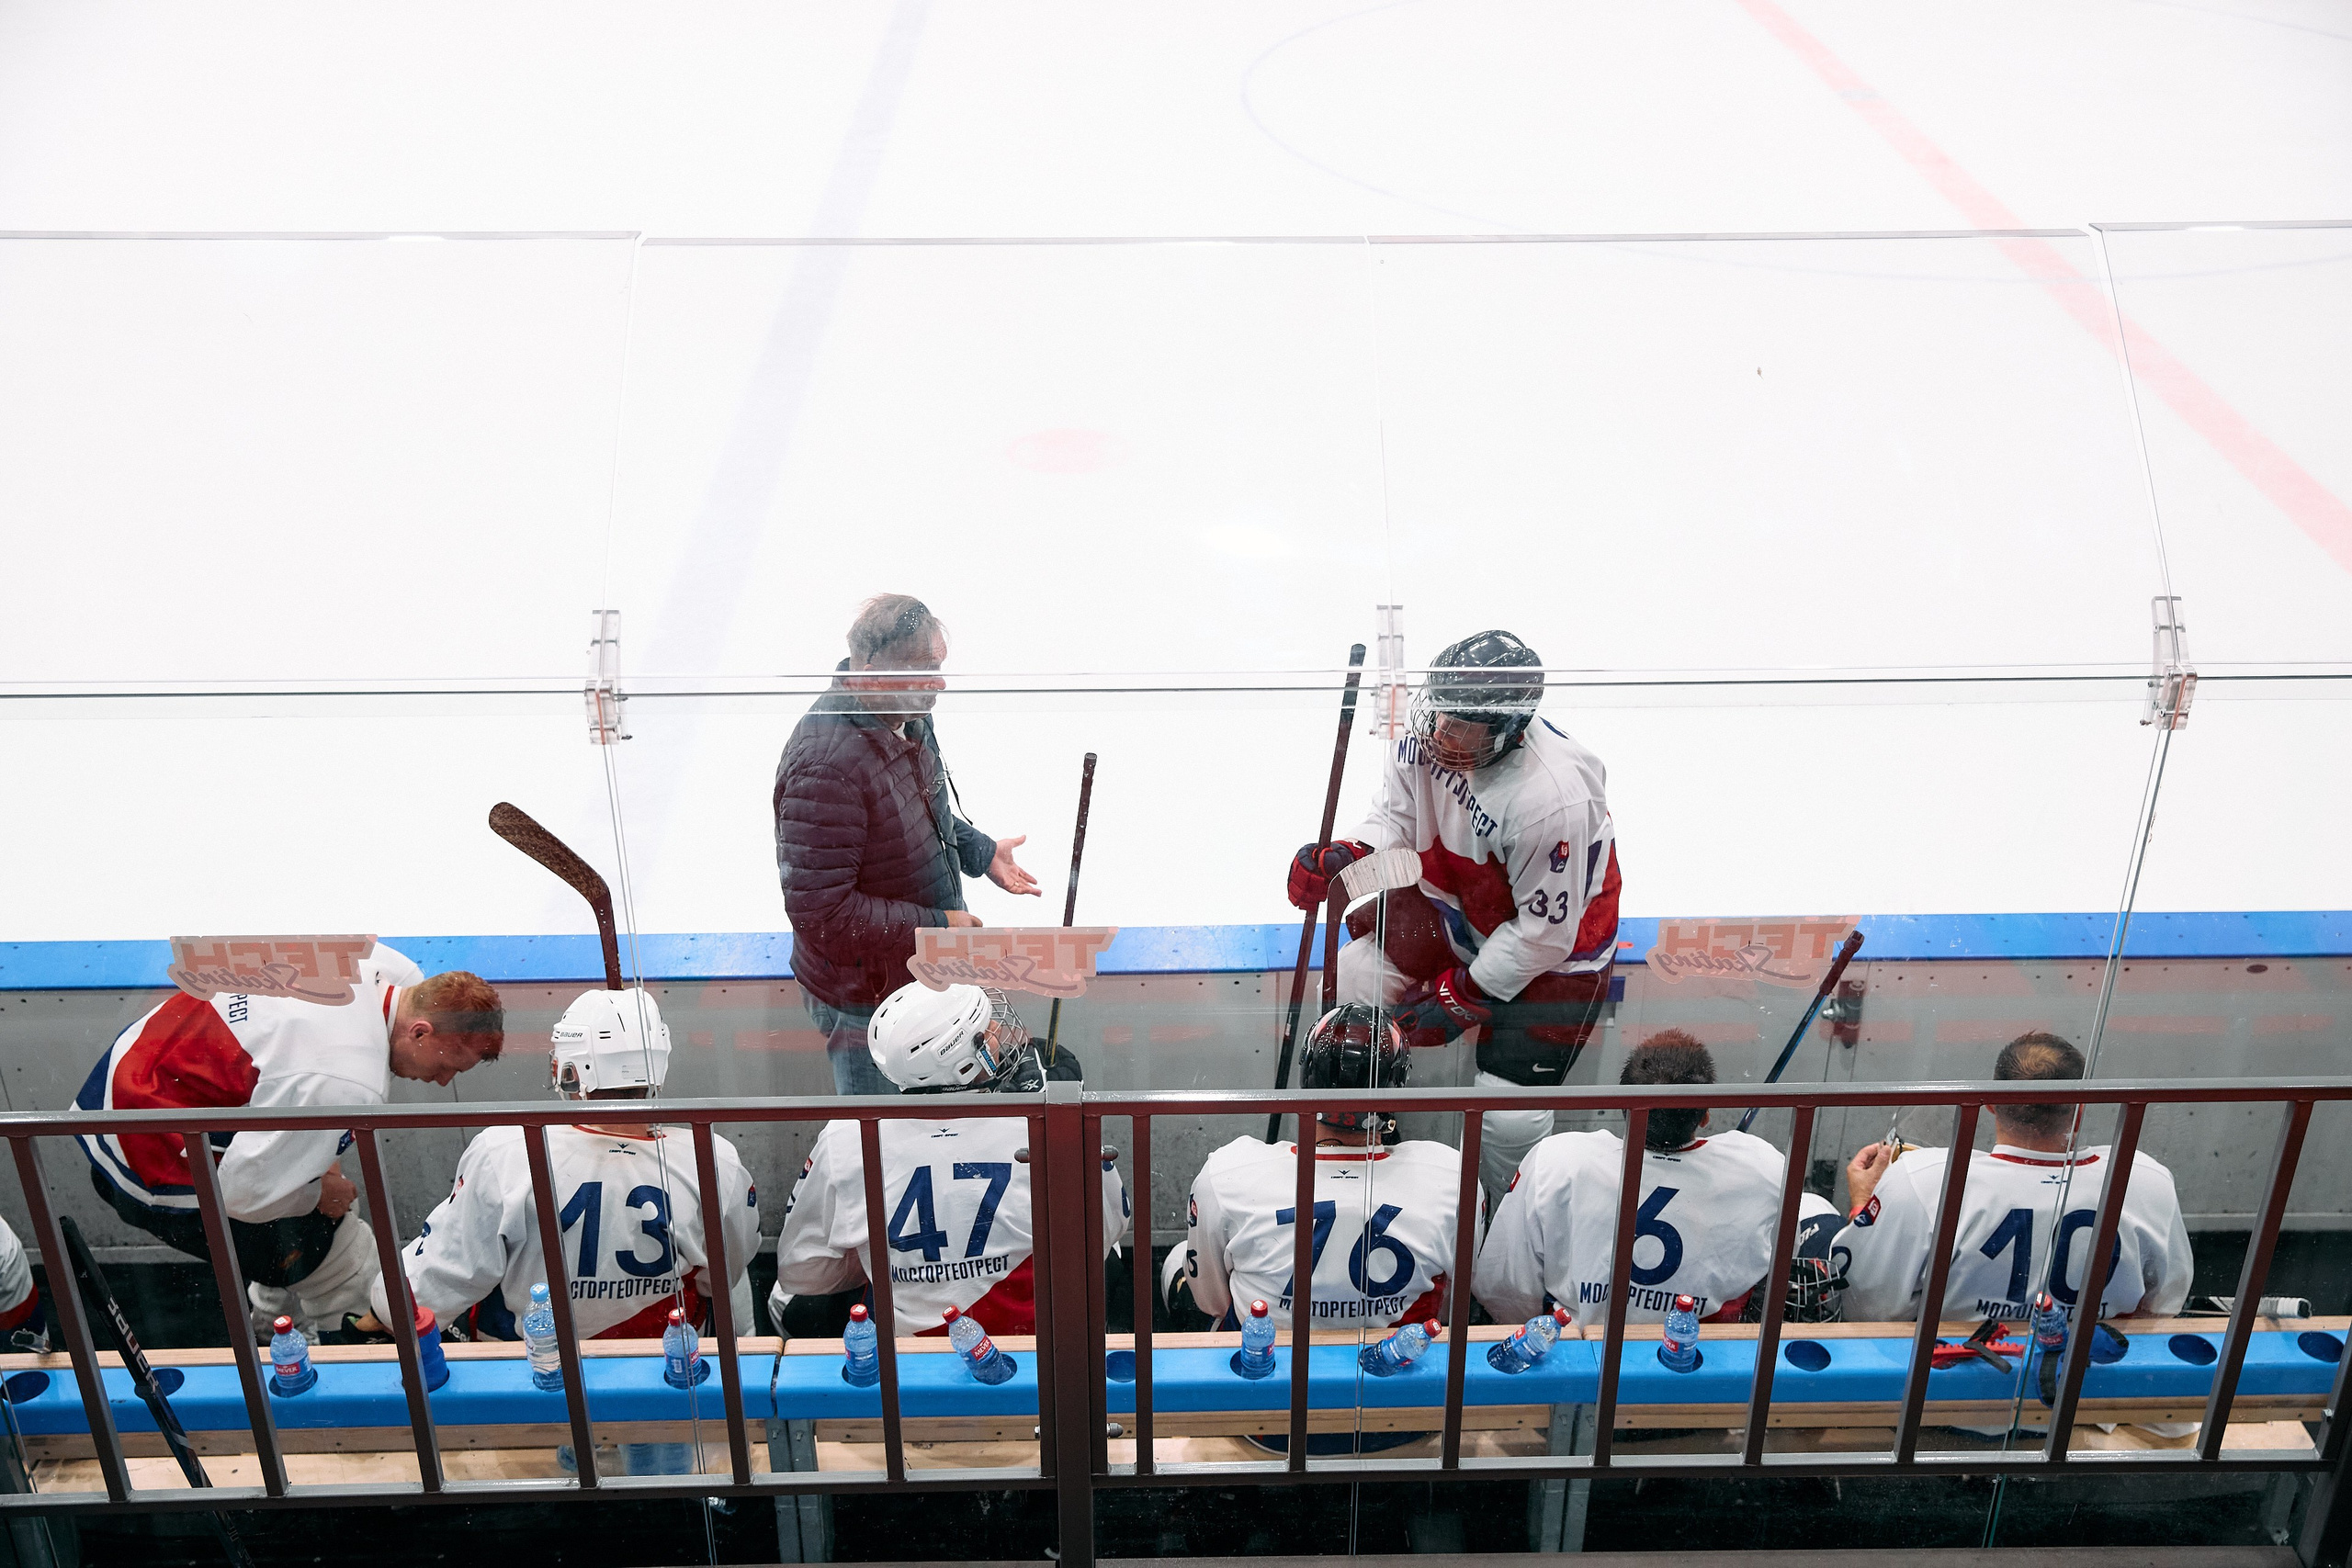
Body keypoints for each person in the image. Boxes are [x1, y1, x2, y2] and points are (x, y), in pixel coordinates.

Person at [364, 987, 756, 1475]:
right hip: (664, 1371)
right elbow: (726, 1271)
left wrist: (381, 1305)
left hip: (543, 1373)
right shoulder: (712, 1156)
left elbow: (427, 1287)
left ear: (568, 1065)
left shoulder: (507, 1151)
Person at [1288, 629, 1621, 1201]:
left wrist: (1462, 994)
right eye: (1439, 713)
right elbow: (1396, 820)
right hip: (1457, 908)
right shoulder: (1429, 737)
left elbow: (1545, 935)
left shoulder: (1553, 799)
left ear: (1508, 730)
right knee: (1356, 981)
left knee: (1508, 1119)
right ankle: (1370, 1151)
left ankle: (1495, 1220)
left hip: (1553, 956)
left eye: (1462, 726)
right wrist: (1352, 855)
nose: (1441, 734)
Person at [74, 945, 503, 1337]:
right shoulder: (346, 1080)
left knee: (310, 1190)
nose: (444, 1081)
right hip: (141, 1159)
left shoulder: (382, 967)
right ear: (420, 1032)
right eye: (448, 1066)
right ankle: (347, 1356)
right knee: (344, 1255)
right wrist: (317, 1193)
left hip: (121, 1081)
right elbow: (245, 1198)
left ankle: (274, 1325)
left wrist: (318, 1170)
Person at [775, 595, 1040, 1097]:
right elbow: (821, 912)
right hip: (869, 1004)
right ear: (872, 673)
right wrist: (937, 926)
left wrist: (981, 852)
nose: (939, 684)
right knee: (884, 1134)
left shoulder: (905, 715)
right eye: (924, 670)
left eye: (939, 667)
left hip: (916, 977)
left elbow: (914, 807)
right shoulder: (826, 767)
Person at [770, 982, 1125, 1337]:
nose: (1002, 1034)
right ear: (965, 1065)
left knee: (785, 1300)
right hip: (1036, 1348)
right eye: (988, 1030)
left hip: (902, 1355)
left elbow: (801, 1272)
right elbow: (1107, 1231)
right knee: (1109, 1254)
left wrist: (890, 1262)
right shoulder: (1046, 1127)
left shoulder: (845, 1137)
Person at [1475, 1030, 1836, 1325]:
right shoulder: (1764, 1169)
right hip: (1698, 1360)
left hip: (1580, 1359)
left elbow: (1503, 1289)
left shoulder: (1557, 1160)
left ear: (1622, 1106)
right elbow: (1777, 1266)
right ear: (1705, 1117)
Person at [1835, 1032, 2194, 1325]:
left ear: (1991, 1103)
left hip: (1953, 1378)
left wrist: (1863, 1206)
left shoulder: (1924, 1179)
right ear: (2081, 1107)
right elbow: (2165, 1303)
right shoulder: (2144, 1178)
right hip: (2088, 1377)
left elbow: (1868, 1307)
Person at [1175, 1004, 1475, 1331]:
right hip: (1400, 1357)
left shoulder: (1228, 1172)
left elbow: (1212, 1302)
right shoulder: (1451, 1176)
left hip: (1270, 1358)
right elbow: (1456, 1297)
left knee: (1177, 1261)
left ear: (1308, 1076)